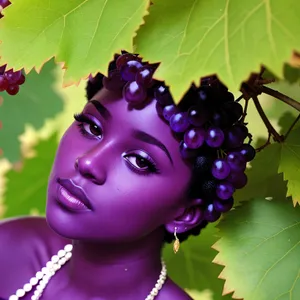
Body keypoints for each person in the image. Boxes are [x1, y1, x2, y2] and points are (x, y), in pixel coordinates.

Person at [0, 52, 255, 300]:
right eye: (91, 127)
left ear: (186, 214)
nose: (88, 161)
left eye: (139, 161)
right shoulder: (12, 249)